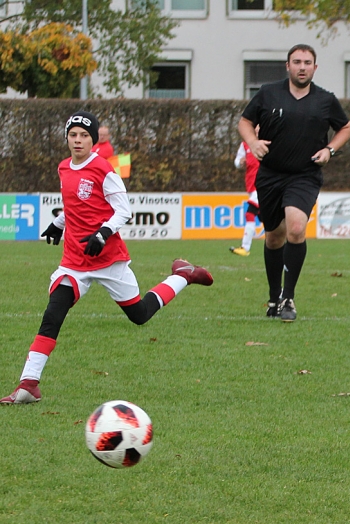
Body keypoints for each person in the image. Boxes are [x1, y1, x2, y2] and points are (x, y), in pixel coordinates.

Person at [1, 111, 213, 405]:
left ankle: (182, 275)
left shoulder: (103, 169)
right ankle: (28, 385)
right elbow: (74, 205)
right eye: (73, 135)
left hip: (108, 259)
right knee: (52, 315)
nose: (77, 140)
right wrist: (59, 223)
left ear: (93, 140)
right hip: (74, 261)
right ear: (66, 138)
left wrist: (102, 233)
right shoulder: (63, 167)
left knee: (139, 315)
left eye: (84, 135)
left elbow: (123, 210)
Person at [238, 44, 350, 322]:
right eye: (297, 62)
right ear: (287, 66)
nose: (302, 67)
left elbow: (346, 127)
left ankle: (288, 298)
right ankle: (273, 296)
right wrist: (252, 142)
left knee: (297, 228)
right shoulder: (268, 93)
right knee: (274, 237)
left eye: (307, 62)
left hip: (305, 175)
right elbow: (244, 121)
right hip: (270, 175)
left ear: (315, 67)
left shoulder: (325, 100)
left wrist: (330, 150)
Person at [230, 135, 261, 257]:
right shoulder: (245, 144)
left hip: (262, 185)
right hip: (251, 185)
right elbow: (237, 161)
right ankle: (286, 244)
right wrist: (240, 162)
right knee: (267, 218)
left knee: (250, 214)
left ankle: (245, 247)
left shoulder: (267, 141)